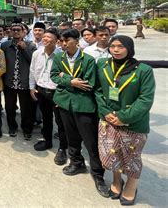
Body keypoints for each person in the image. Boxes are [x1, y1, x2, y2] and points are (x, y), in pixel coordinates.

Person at [95, 36, 155, 205]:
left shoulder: (143, 70)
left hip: (133, 123)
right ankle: (116, 180)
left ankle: (131, 185)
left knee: (132, 156)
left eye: (120, 46)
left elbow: (146, 99)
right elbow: (98, 90)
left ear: (129, 48)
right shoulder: (103, 65)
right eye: (112, 46)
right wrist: (106, 112)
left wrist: (123, 117)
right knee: (111, 154)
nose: (115, 50)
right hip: (108, 120)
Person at [50, 29, 109, 198]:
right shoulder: (59, 57)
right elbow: (54, 75)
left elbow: (88, 83)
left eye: (66, 40)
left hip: (84, 105)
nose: (62, 43)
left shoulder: (88, 60)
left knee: (90, 141)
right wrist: (71, 81)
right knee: (71, 137)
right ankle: (76, 162)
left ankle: (98, 175)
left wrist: (65, 78)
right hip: (64, 104)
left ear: (76, 41)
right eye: (62, 40)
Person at [29, 28, 68, 165]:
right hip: (41, 90)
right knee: (46, 118)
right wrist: (32, 87)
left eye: (49, 37)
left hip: (57, 92)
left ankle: (63, 148)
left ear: (57, 41)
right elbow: (33, 70)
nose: (45, 39)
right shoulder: (36, 53)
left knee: (61, 122)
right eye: (44, 36)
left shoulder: (62, 56)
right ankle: (48, 141)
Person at [1, 23, 37, 140]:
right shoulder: (5, 45)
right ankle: (12, 127)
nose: (16, 32)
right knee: (10, 107)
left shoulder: (31, 45)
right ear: (10, 32)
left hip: (24, 83)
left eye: (18, 30)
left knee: (26, 109)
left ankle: (27, 130)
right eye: (13, 30)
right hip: (9, 82)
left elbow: (34, 63)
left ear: (23, 32)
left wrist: (24, 49)